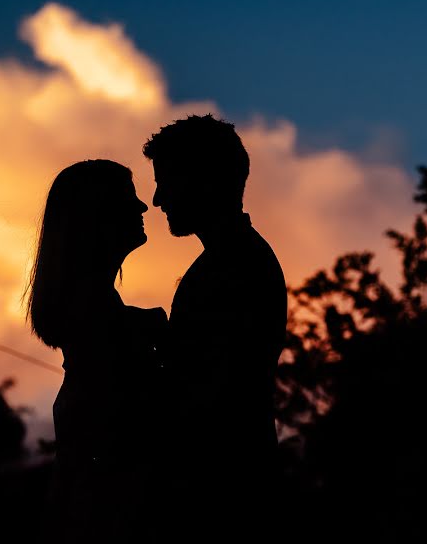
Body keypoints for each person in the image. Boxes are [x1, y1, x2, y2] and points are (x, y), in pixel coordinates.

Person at [143, 114, 287, 539]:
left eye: (166, 181)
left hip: (222, 500)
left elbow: (210, 394)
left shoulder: (234, 268)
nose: (157, 199)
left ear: (203, 180)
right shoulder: (231, 262)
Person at [25, 159, 167, 543]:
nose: (142, 207)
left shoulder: (94, 310)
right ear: (96, 216)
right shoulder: (96, 314)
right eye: (128, 197)